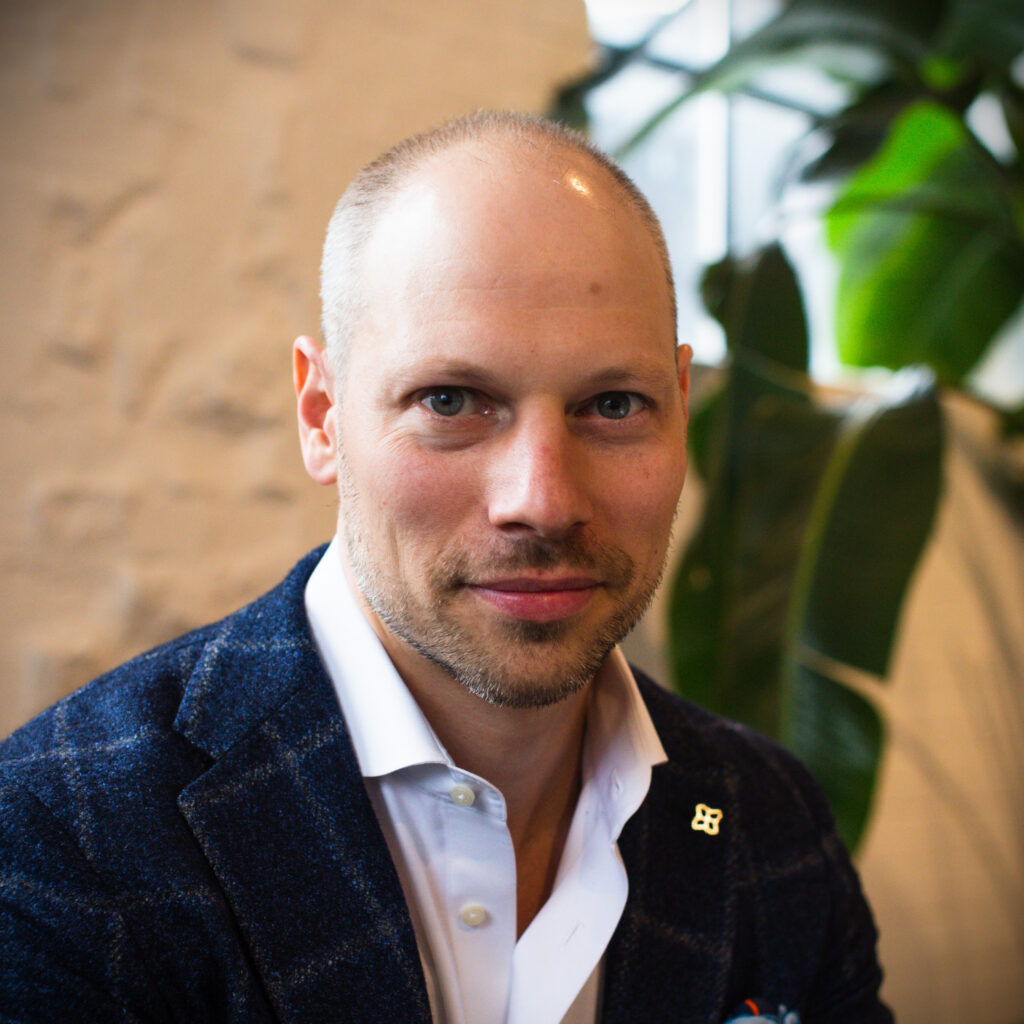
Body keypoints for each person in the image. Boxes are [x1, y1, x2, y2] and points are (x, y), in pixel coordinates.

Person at [0, 112, 891, 1023]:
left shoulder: (772, 821)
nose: (541, 500)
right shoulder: (61, 838)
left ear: (680, 407)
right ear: (323, 416)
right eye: (452, 400)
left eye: (613, 403)